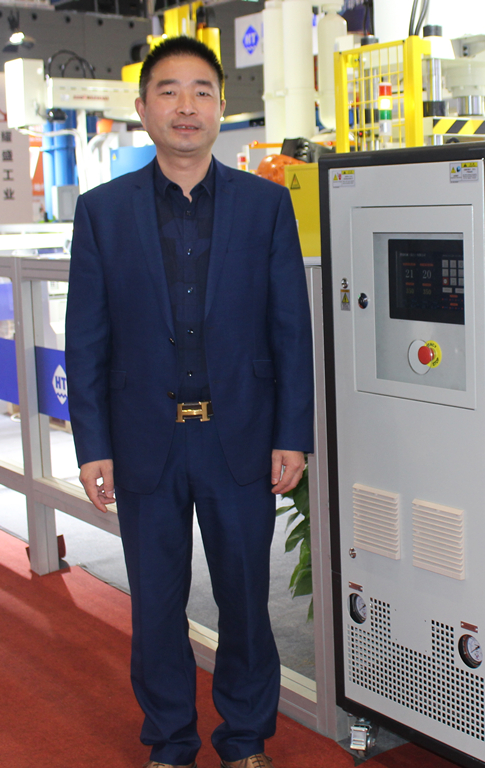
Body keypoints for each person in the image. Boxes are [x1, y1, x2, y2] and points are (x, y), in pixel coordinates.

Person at [65, 36, 313, 768]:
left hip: (239, 437)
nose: (185, 106)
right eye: (168, 91)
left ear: (221, 108)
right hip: (145, 440)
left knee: (245, 599)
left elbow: (289, 331)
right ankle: (170, 740)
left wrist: (292, 433)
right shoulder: (102, 212)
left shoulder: (265, 206)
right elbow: (87, 338)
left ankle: (244, 739)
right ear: (143, 110)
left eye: (201, 91)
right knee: (155, 604)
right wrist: (92, 444)